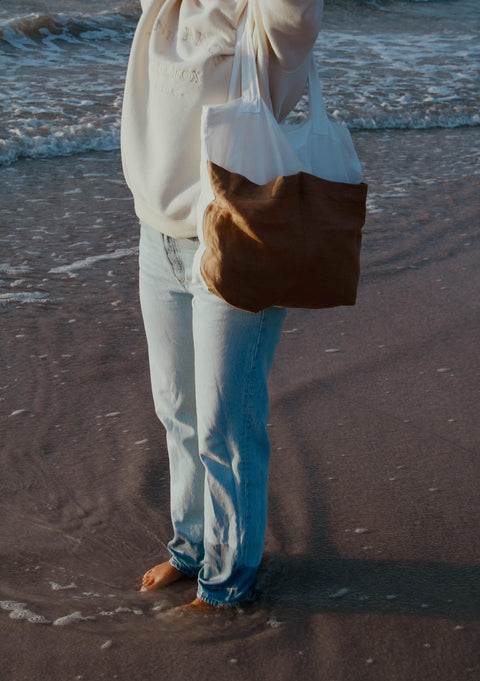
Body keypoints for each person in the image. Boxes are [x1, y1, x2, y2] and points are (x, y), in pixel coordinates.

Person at [121, 0, 323, 611]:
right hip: (158, 238)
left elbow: (296, 16)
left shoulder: (265, 22)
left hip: (237, 240)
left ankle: (228, 580)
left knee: (225, 426)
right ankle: (192, 546)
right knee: (178, 408)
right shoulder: (163, 9)